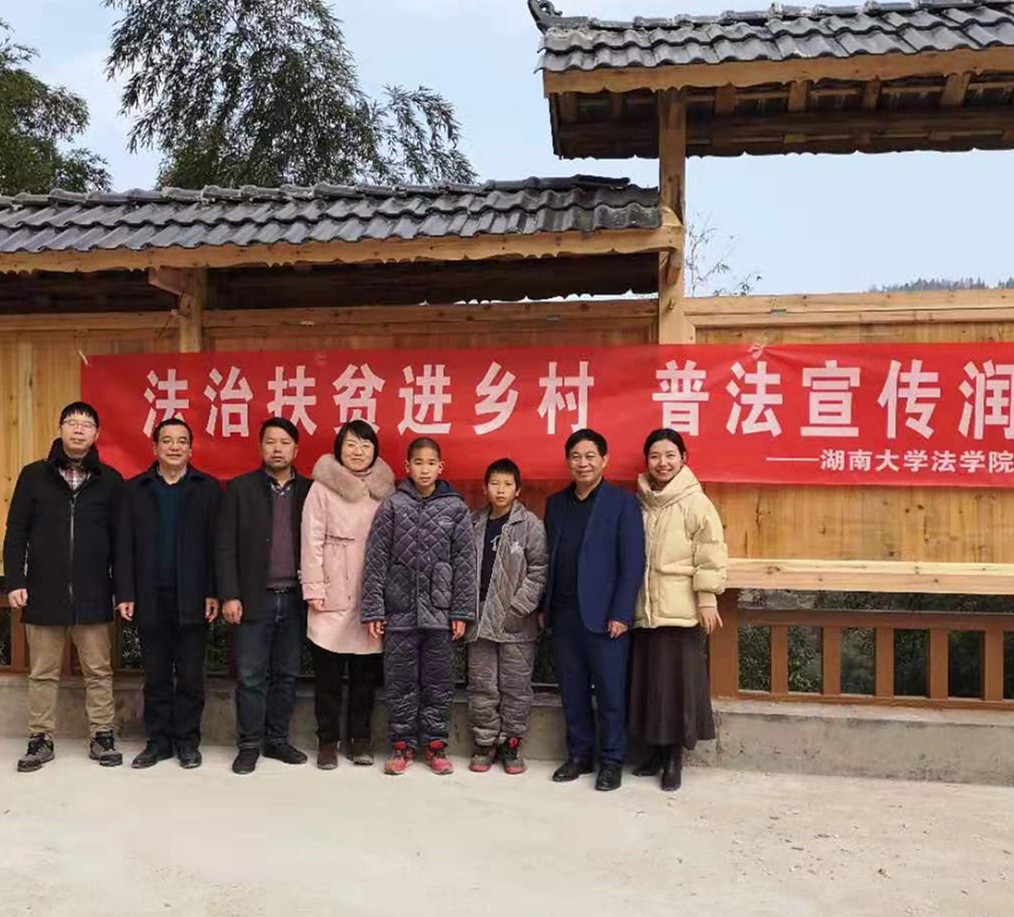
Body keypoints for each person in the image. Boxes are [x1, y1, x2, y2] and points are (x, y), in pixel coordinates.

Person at [3, 402, 124, 772]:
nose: (79, 429)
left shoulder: (110, 480)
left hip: (94, 591)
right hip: (44, 590)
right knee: (42, 672)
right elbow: (16, 532)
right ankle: (40, 738)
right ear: (61, 428)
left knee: (98, 671)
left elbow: (121, 541)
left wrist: (122, 590)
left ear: (96, 434)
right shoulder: (33, 476)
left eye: (86, 424)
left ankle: (102, 736)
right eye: (72, 422)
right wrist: (15, 580)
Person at [361, 437, 476, 776]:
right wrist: (374, 609)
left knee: (439, 683)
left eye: (430, 463)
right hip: (399, 612)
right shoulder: (393, 506)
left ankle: (436, 745)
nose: (424, 469)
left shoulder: (455, 508)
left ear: (441, 467)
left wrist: (461, 612)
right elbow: (376, 560)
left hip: (441, 614)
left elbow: (465, 562)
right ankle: (402, 745)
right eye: (418, 463)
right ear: (407, 467)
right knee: (400, 683)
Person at [542, 428, 644, 792]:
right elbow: (549, 558)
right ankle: (580, 755)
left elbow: (632, 563)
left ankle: (612, 761)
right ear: (568, 461)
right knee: (572, 691)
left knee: (611, 692)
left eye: (589, 456)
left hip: (605, 617)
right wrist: (545, 605)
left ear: (604, 460)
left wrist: (621, 613)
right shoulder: (556, 504)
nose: (582, 463)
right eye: (576, 457)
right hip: (564, 613)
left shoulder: (622, 504)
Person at [115, 418, 221, 770]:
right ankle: (158, 742)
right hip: (150, 596)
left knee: (190, 676)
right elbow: (124, 545)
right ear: (154, 447)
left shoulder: (207, 488)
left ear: (191, 448)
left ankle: (188, 742)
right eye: (167, 440)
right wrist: (125, 592)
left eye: (181, 441)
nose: (174, 447)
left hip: (193, 597)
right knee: (156, 676)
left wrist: (213, 591)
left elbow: (216, 546)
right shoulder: (135, 489)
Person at [629, 429, 727, 792]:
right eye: (655, 456)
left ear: (684, 458)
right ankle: (655, 752)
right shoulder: (639, 502)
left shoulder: (696, 503)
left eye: (670, 455)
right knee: (650, 686)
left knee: (677, 688)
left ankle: (674, 759)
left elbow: (711, 553)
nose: (663, 463)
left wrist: (707, 599)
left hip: (680, 609)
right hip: (645, 607)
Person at [217, 417, 312, 775]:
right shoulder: (240, 489)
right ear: (260, 448)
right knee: (250, 676)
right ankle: (249, 745)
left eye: (284, 443)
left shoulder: (310, 491)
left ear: (296, 449)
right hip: (253, 598)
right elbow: (225, 546)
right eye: (270, 442)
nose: (277, 449)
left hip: (295, 598)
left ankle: (277, 740)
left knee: (287, 674)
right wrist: (229, 594)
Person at [300, 420, 395, 769]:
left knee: (364, 675)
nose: (358, 451)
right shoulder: (321, 488)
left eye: (366, 445)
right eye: (351, 444)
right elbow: (310, 538)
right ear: (339, 448)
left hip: (370, 590)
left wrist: (386, 597)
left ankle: (360, 739)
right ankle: (327, 740)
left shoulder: (386, 491)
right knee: (327, 675)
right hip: (331, 585)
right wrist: (313, 587)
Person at [466, 458, 547, 776]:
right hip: (480, 618)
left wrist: (519, 607)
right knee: (482, 685)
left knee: (516, 686)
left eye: (507, 484)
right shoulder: (474, 522)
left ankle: (511, 744)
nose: (500, 490)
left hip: (517, 622)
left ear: (518, 490)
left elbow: (540, 570)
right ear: (485, 488)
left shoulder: (530, 525)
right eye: (495, 484)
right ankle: (484, 743)